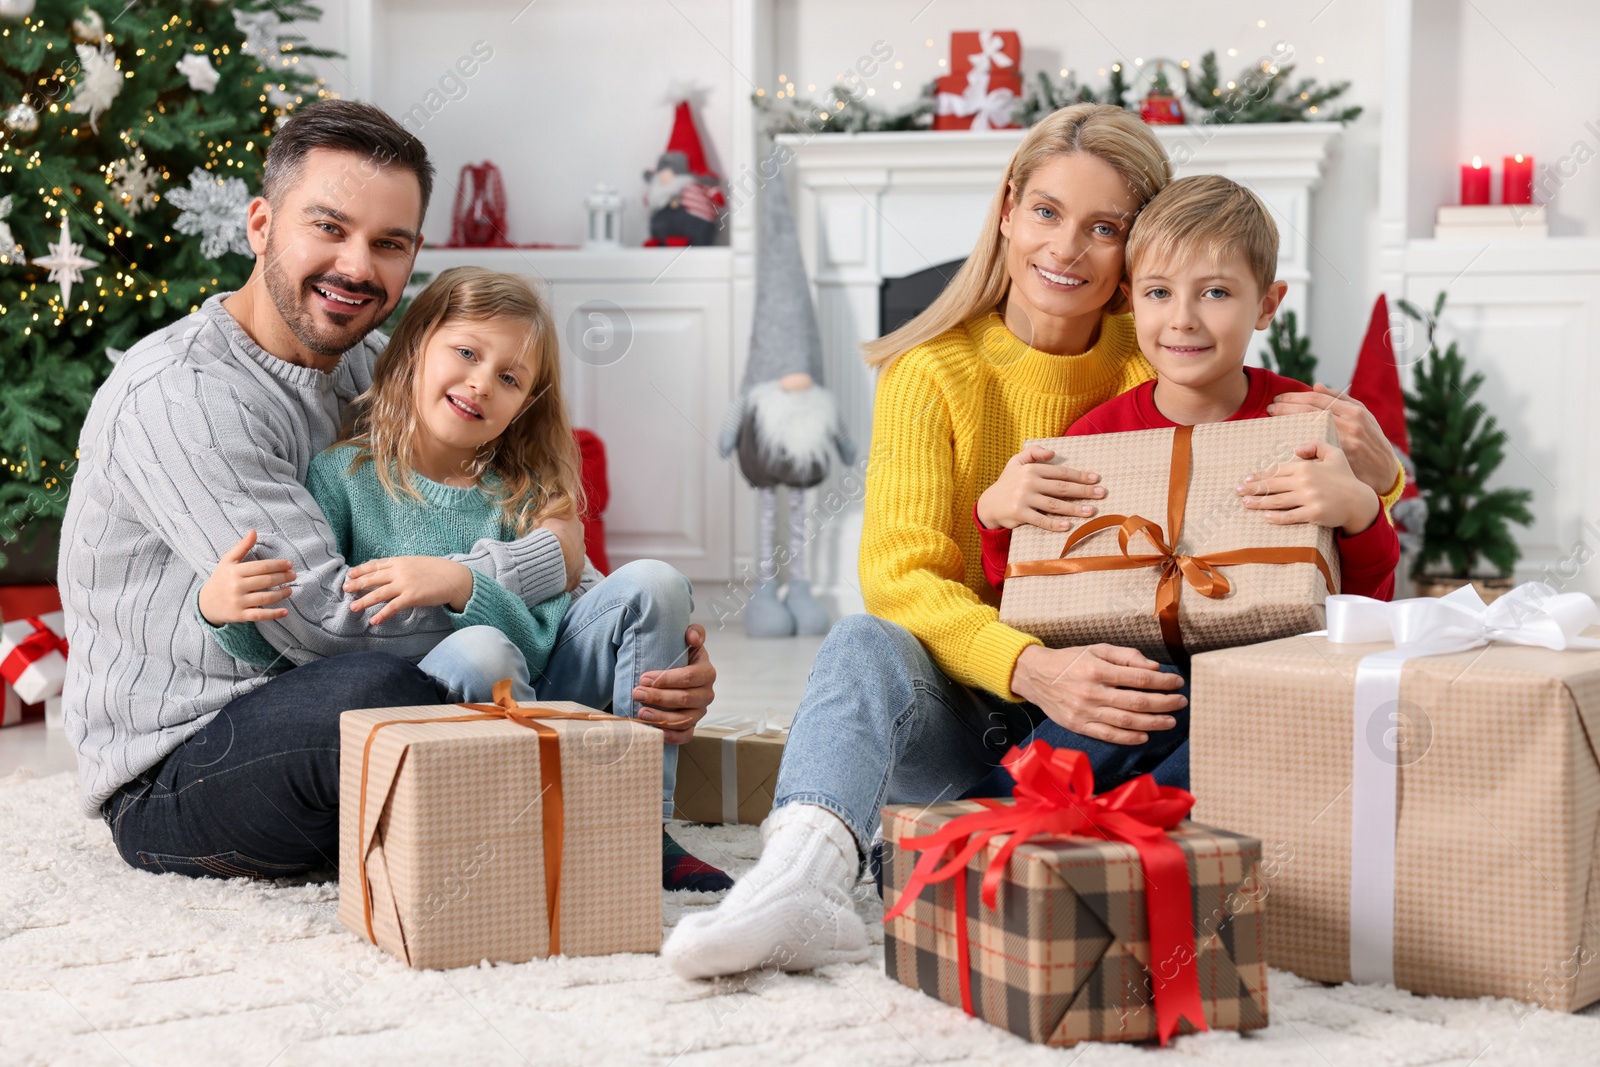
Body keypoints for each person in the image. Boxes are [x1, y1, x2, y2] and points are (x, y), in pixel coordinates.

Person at [662, 103, 1404, 979]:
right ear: (1009, 208)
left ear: (1138, 254)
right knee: (863, 639)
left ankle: (987, 852)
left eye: (1104, 229)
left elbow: (1292, 468)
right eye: (1047, 212)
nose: (1065, 249)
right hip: (979, 706)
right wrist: (1033, 662)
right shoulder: (931, 371)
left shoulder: (1168, 343)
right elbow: (900, 580)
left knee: (1201, 686)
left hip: (1125, 709)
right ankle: (799, 883)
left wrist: (1379, 471)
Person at [60, 100, 716, 886]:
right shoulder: (183, 396)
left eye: (389, 243)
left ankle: (604, 828)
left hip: (343, 697)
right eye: (329, 228)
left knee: (514, 650)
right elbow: (323, 625)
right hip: (185, 760)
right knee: (393, 685)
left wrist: (630, 643)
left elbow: (509, 511)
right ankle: (519, 826)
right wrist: (512, 584)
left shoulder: (386, 367)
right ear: (261, 224)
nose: (358, 267)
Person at [194, 266, 731, 891]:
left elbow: (555, 630)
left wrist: (461, 585)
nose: (480, 384)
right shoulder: (342, 479)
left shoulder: (525, 492)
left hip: (552, 689)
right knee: (483, 650)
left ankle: (640, 830)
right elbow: (310, 635)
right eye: (467, 353)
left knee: (658, 581)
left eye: (508, 378)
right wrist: (219, 612)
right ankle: (533, 833)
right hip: (446, 707)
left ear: (523, 406)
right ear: (417, 346)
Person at [966, 173, 1400, 791]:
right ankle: (977, 831)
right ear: (1129, 300)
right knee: (1097, 729)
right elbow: (1030, 589)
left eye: (1216, 292)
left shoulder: (1303, 424)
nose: (1183, 320)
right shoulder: (1096, 435)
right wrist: (997, 516)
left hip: (1265, 689)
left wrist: (1359, 511)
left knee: (1237, 725)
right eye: (1159, 292)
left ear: (1268, 305)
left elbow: (1365, 609)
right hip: (1126, 682)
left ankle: (1140, 835)